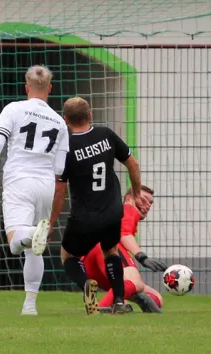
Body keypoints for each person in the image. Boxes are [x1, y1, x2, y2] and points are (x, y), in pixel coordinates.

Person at [0, 65, 69, 316]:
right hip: (46, 184)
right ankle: (30, 305)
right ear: (50, 88)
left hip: (19, 182)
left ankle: (32, 232)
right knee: (35, 248)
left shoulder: (13, 109)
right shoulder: (60, 122)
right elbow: (60, 170)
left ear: (26, 87)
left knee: (15, 242)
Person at [49, 96, 149, 315]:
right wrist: (137, 192)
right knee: (111, 251)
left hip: (84, 216)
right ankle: (120, 302)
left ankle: (86, 285)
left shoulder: (66, 147)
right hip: (113, 212)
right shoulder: (106, 135)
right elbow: (132, 163)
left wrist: (51, 222)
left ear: (65, 119)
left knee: (68, 255)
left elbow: (60, 189)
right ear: (90, 115)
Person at [82, 185, 167, 314]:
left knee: (156, 298)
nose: (148, 205)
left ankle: (121, 302)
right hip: (105, 248)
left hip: (90, 262)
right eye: (143, 199)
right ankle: (99, 309)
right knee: (135, 282)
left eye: (150, 202)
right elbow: (124, 234)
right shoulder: (128, 208)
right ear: (129, 199)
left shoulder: (118, 213)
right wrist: (142, 257)